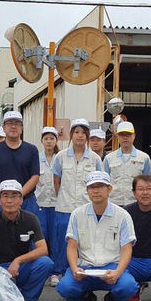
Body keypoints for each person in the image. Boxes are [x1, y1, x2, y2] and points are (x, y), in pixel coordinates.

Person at [56, 171, 138, 301]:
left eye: (100, 186)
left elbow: (127, 249)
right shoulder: (77, 214)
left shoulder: (122, 215)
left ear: (109, 189)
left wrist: (118, 272)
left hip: (112, 267)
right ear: (87, 191)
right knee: (64, 287)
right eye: (92, 187)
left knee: (128, 286)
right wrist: (74, 269)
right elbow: (72, 246)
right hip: (85, 268)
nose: (96, 190)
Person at [0, 180, 55, 301]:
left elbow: (43, 249)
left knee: (46, 263)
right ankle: (5, 297)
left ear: (21, 200)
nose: (9, 201)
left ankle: (28, 299)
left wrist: (18, 260)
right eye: (5, 196)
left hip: (21, 268)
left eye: (14, 196)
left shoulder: (31, 219)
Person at [51, 119, 103, 287]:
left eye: (83, 133)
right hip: (64, 207)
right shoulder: (61, 157)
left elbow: (99, 183)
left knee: (85, 242)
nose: (80, 136)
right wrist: (63, 198)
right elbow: (57, 181)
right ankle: (58, 271)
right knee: (62, 241)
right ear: (71, 135)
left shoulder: (95, 159)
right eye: (76, 132)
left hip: (86, 208)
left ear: (87, 136)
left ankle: (81, 272)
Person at [0, 111, 41, 215]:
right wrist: (5, 196)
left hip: (27, 200)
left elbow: (35, 177)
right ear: (4, 127)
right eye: (10, 123)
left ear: (22, 128)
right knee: (0, 225)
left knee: (30, 225)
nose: (13, 126)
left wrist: (19, 196)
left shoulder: (32, 149)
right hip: (2, 201)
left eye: (17, 123)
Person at [104, 121, 151, 207]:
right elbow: (104, 182)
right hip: (115, 203)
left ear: (134, 136)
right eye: (122, 135)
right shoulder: (109, 158)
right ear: (117, 136)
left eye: (128, 135)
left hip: (136, 202)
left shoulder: (144, 158)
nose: (125, 137)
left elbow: (149, 182)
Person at [36, 126, 60, 277]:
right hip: (40, 204)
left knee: (56, 239)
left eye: (52, 138)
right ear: (42, 141)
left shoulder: (61, 158)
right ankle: (42, 269)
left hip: (58, 205)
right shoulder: (36, 159)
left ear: (56, 140)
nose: (49, 141)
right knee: (41, 238)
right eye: (46, 139)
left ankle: (55, 272)